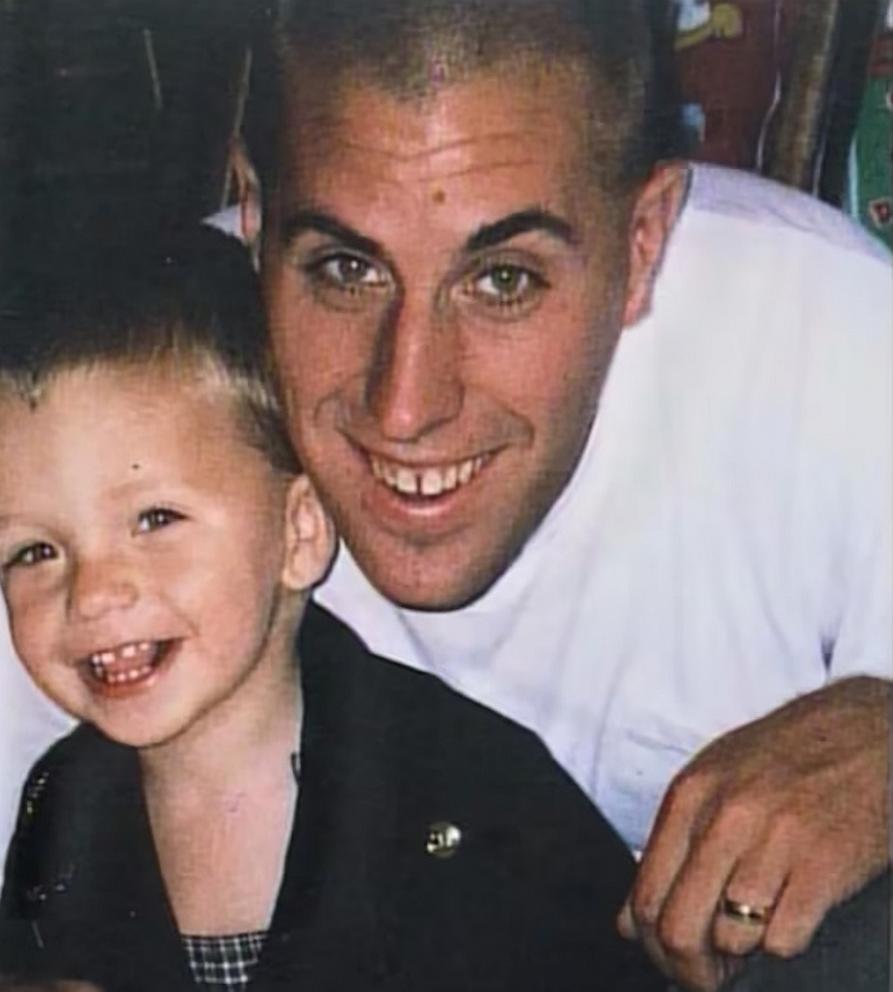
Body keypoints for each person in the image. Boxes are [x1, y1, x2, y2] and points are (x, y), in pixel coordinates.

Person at [233, 1, 890, 989]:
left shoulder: (833, 335)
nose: (405, 405)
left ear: (641, 241)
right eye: (344, 266)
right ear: (252, 220)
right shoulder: (109, 416)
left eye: (502, 279)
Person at [0, 228, 663, 991]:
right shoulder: (62, 802)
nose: (93, 592)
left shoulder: (475, 796)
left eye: (155, 520)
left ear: (298, 533)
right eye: (34, 552)